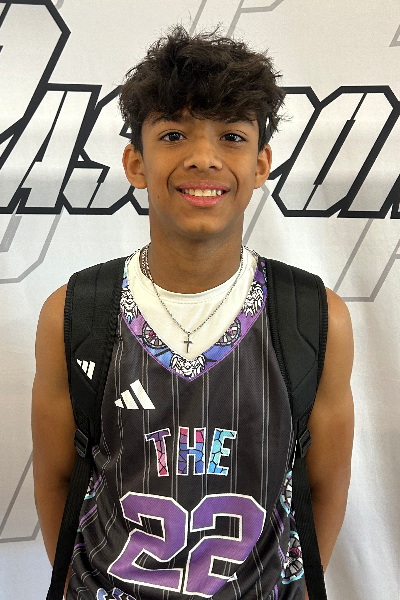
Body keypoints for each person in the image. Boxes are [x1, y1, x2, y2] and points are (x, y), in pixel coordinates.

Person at [32, 26, 354, 600]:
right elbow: (58, 480)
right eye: (174, 134)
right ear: (135, 163)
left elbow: (325, 489)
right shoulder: (76, 313)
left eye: (231, 136)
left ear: (261, 164)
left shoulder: (314, 317)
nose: (204, 158)